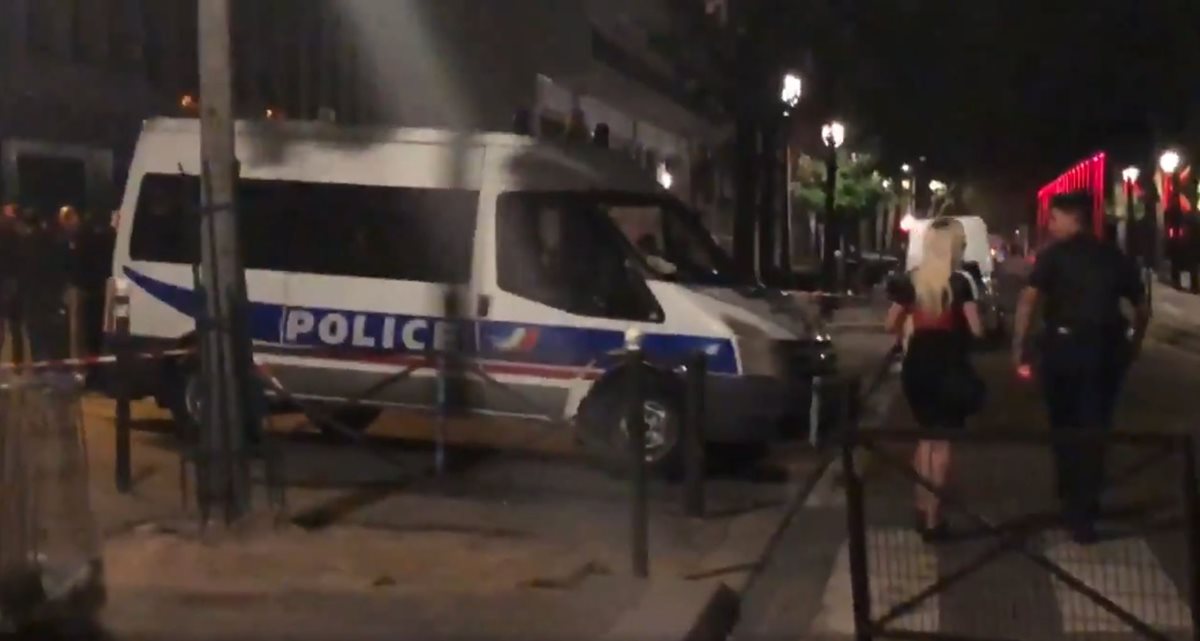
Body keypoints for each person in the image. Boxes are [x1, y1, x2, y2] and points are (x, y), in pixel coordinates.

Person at [1011, 190, 1148, 543]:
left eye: (1055, 217)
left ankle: (1072, 498)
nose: (1050, 224)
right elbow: (1141, 307)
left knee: (1065, 425)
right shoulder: (1113, 256)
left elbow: (1028, 301)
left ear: (1074, 218)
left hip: (1064, 348)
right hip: (1106, 350)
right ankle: (1086, 503)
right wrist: (1133, 344)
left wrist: (1020, 349)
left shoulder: (1054, 256)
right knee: (1096, 425)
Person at [886, 218, 985, 541]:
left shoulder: (911, 280)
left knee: (924, 438)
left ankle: (920, 502)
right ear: (955, 247)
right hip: (948, 363)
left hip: (918, 362)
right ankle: (933, 518)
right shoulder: (960, 282)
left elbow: (890, 324)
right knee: (941, 443)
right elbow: (976, 329)